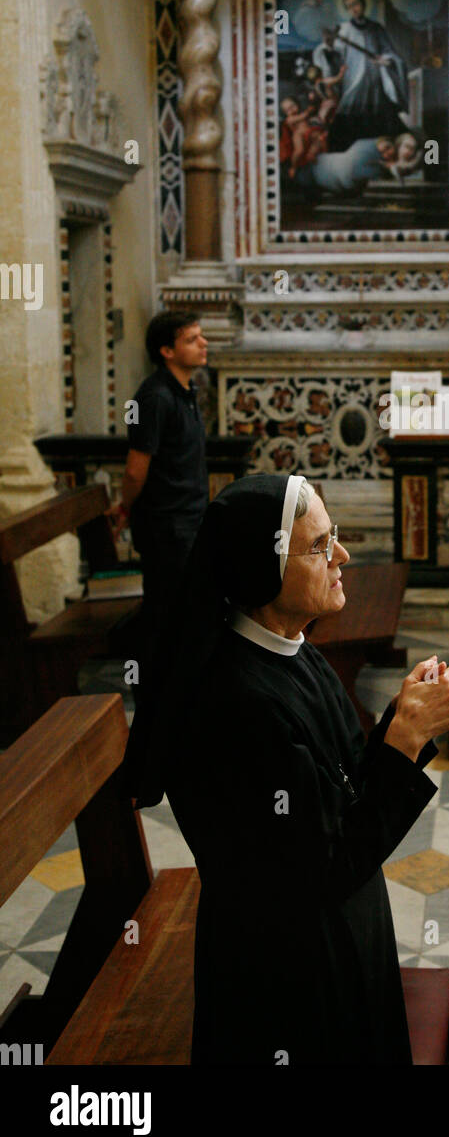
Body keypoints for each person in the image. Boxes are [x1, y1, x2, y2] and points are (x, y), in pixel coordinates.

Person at [130, 473, 449, 1065]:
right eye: (318, 545)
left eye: (335, 538)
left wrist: (412, 715)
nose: (343, 556)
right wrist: (404, 739)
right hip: (290, 982)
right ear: (263, 567)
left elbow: (342, 785)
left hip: (333, 942)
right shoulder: (236, 702)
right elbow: (324, 866)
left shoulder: (291, 648)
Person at [117, 311, 209, 792]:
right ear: (166, 351)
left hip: (189, 524)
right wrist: (122, 509)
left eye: (201, 336)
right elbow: (137, 470)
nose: (203, 344)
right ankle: (155, 728)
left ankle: (177, 717)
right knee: (164, 621)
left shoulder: (186, 393)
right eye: (192, 339)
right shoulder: (151, 398)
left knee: (180, 620)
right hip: (167, 528)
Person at [329, 0, 409, 152]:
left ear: (363, 4)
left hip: (375, 77)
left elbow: (389, 51)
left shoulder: (376, 28)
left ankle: (385, 152)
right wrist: (332, 45)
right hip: (353, 78)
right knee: (349, 110)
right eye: (349, 6)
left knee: (381, 114)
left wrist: (384, 59)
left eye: (356, 4)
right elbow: (336, 54)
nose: (354, 8)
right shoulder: (344, 30)